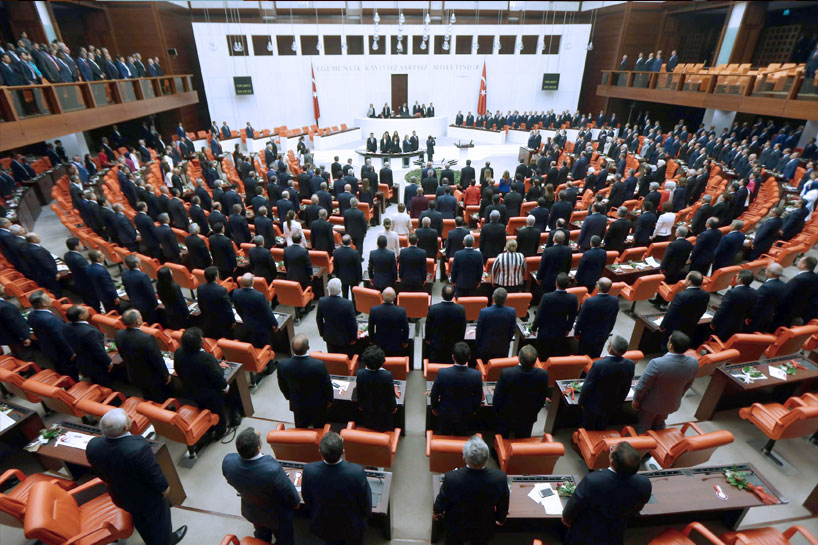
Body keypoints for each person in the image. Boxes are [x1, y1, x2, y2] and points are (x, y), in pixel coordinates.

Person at [86, 409, 187, 545]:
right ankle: (165, 541)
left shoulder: (93, 445)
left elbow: (99, 472)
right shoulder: (138, 447)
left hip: (119, 495)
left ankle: (151, 540)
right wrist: (164, 489)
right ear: (126, 427)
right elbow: (153, 473)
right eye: (127, 417)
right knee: (159, 523)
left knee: (140, 520)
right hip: (147, 499)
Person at [562, 442, 651, 545]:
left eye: (612, 449)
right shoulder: (644, 483)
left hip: (586, 532)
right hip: (616, 531)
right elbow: (638, 508)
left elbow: (572, 509)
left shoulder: (593, 481)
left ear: (612, 461)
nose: (611, 448)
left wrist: (566, 518)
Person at [222, 427, 300, 545]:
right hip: (277, 516)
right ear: (258, 448)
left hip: (252, 511)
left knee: (261, 533)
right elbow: (288, 492)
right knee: (285, 539)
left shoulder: (228, 462)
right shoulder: (272, 469)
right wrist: (296, 503)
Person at [433, 435, 509, 545]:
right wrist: (500, 519)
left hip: (456, 526)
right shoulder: (499, 478)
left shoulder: (451, 478)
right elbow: (503, 502)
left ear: (464, 458)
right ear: (487, 458)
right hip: (484, 525)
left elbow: (442, 501)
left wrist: (437, 511)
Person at [301, 432, 372, 545]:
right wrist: (366, 517)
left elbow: (307, 498)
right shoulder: (357, 472)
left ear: (320, 452)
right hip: (351, 527)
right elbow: (365, 502)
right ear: (343, 451)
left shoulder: (309, 470)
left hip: (322, 525)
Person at [632, 331, 698, 433]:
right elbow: (688, 384)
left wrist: (636, 400)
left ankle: (643, 441)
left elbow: (643, 386)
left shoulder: (656, 363)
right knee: (660, 423)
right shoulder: (694, 362)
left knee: (644, 426)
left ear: (670, 345)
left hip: (650, 404)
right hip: (672, 403)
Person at [174, 327, 229, 437]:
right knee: (217, 410)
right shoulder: (205, 358)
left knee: (203, 407)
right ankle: (221, 430)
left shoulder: (178, 353)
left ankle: (209, 429)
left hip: (191, 390)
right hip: (210, 393)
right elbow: (217, 376)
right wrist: (225, 387)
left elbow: (177, 369)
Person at [578, 336, 635, 430]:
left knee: (588, 426)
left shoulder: (599, 365)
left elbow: (588, 386)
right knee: (602, 425)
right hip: (612, 404)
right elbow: (626, 386)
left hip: (593, 404)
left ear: (610, 349)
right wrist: (619, 402)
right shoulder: (630, 364)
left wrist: (581, 401)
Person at [277, 334, 333, 428]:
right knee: (319, 425)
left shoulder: (283, 365)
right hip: (317, 403)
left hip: (297, 402)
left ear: (292, 349)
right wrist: (329, 399)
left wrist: (290, 397)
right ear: (308, 347)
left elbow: (282, 385)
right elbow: (326, 384)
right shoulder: (318, 365)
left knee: (300, 426)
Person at [493, 345, 548, 438]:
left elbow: (498, 397)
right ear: (535, 360)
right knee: (523, 438)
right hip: (528, 416)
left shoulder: (506, 373)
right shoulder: (543, 375)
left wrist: (497, 412)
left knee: (502, 437)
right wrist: (533, 413)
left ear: (519, 358)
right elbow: (541, 399)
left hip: (506, 416)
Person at [115, 309, 171, 401]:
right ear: (137, 321)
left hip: (134, 373)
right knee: (159, 398)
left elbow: (122, 354)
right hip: (152, 377)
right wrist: (165, 375)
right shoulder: (147, 338)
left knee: (146, 394)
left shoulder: (119, 334)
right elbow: (157, 359)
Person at [430, 342, 484, 435]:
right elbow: (478, 396)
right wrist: (475, 410)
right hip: (466, 413)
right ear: (469, 357)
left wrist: (434, 407)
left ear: (453, 357)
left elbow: (434, 393)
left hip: (445, 413)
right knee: (461, 435)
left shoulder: (442, 373)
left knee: (444, 434)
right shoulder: (476, 375)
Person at [28, 291, 77, 380]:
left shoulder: (31, 315)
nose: (51, 298)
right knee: (70, 372)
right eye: (48, 298)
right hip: (60, 351)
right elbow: (60, 337)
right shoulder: (50, 319)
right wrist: (71, 352)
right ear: (43, 303)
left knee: (59, 369)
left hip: (47, 348)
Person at [63, 305, 113, 387]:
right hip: (95, 364)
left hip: (82, 360)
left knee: (95, 379)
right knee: (104, 382)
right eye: (84, 310)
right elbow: (98, 350)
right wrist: (108, 362)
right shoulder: (89, 332)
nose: (87, 310)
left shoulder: (66, 326)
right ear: (81, 316)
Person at [534, 273, 578, 360]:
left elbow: (539, 315)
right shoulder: (573, 298)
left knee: (542, 356)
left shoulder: (547, 297)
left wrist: (534, 328)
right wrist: (568, 329)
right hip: (560, 331)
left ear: (556, 283)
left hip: (545, 331)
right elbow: (572, 316)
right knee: (555, 355)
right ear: (569, 284)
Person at [355, 345, 397, 431]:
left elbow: (360, 392)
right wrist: (393, 407)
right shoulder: (387, 375)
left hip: (367, 409)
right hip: (384, 412)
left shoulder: (360, 374)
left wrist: (360, 404)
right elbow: (390, 395)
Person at [574, 278, 619, 358]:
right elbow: (613, 319)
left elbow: (581, 320)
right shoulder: (615, 300)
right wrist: (607, 331)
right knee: (596, 356)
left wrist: (576, 332)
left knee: (583, 356)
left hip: (587, 335)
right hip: (603, 334)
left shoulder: (589, 302)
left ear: (598, 287)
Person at [232, 273, 278, 349]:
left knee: (254, 344)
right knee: (267, 347)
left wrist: (244, 318)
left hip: (247, 324)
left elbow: (238, 309)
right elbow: (267, 312)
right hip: (262, 327)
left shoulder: (236, 293)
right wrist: (275, 323)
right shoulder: (259, 296)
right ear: (252, 282)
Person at [711, 269, 757, 341]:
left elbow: (722, 309)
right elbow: (751, 309)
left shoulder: (732, 292)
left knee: (717, 341)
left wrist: (714, 322)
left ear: (740, 279)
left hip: (724, 324)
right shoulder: (754, 293)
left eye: (737, 276)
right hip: (739, 324)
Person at [772, 255, 818, 328]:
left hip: (786, 309)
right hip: (799, 309)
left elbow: (786, 294)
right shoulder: (815, 277)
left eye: (800, 261)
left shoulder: (799, 279)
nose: (798, 262)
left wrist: (774, 308)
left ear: (803, 265)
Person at [425, 284, 467, 363]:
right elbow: (463, 327)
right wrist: (460, 341)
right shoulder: (461, 309)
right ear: (454, 295)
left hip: (437, 344)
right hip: (454, 345)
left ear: (441, 295)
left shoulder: (433, 309)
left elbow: (428, 325)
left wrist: (427, 338)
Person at [316, 278, 357, 356]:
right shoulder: (348, 304)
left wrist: (323, 333)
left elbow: (319, 319)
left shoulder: (322, 302)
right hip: (345, 339)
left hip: (329, 337)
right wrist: (353, 338)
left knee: (332, 358)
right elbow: (353, 324)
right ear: (340, 289)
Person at [475, 288, 517, 363]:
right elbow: (512, 330)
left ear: (493, 297)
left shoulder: (484, 312)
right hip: (503, 347)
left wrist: (478, 345)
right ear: (506, 299)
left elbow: (479, 332)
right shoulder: (512, 312)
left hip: (486, 348)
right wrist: (506, 341)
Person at [196, 266, 235, 340]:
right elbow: (228, 308)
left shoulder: (200, 288)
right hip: (222, 323)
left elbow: (200, 304)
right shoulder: (222, 290)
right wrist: (233, 321)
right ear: (216, 277)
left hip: (208, 320)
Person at [369, 287, 409, 356]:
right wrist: (405, 341)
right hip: (396, 343)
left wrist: (372, 340)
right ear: (395, 297)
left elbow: (371, 327)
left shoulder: (374, 310)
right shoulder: (401, 311)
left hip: (380, 343)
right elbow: (406, 328)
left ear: (382, 296)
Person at [746, 263, 786, 332]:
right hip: (770, 315)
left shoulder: (766, 287)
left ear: (771, 273)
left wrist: (749, 316)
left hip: (759, 316)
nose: (765, 270)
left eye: (766, 270)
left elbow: (757, 303)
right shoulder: (783, 284)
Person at [0, 284, 32, 359]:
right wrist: (25, 337)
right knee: (25, 355)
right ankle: (28, 365)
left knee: (15, 352)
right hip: (13, 337)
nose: (4, 287)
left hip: (4, 336)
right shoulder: (5, 307)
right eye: (1, 287)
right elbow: (15, 323)